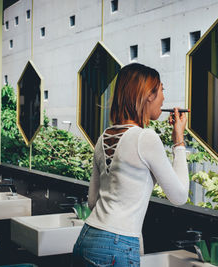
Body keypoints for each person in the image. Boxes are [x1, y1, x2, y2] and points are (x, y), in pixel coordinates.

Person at [72, 63, 190, 266]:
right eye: (162, 89)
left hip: (86, 238)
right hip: (117, 245)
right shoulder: (146, 138)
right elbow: (179, 196)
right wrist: (178, 140)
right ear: (149, 95)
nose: (163, 97)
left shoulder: (103, 138)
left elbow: (93, 202)